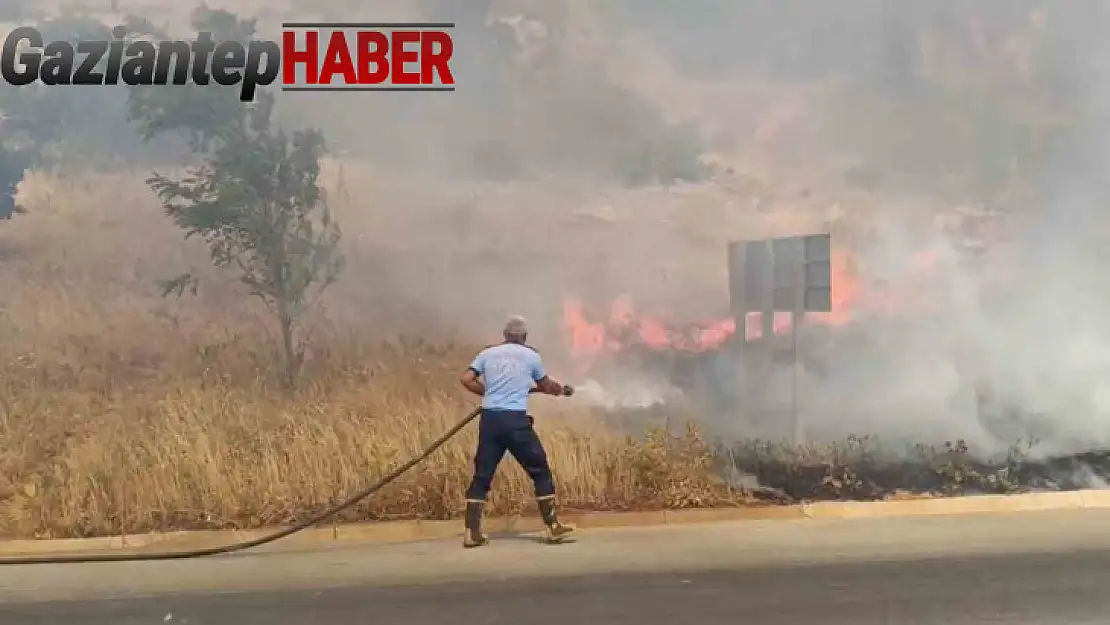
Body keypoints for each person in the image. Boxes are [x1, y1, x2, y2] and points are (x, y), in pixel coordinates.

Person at [459, 315, 576, 548]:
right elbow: (545, 385)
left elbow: (466, 379)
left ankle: (472, 532)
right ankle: (552, 526)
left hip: (490, 419)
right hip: (515, 422)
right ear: (524, 337)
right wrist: (560, 391)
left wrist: (489, 393)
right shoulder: (531, 356)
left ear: (505, 336)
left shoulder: (487, 354)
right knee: (540, 469)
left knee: (483, 475)